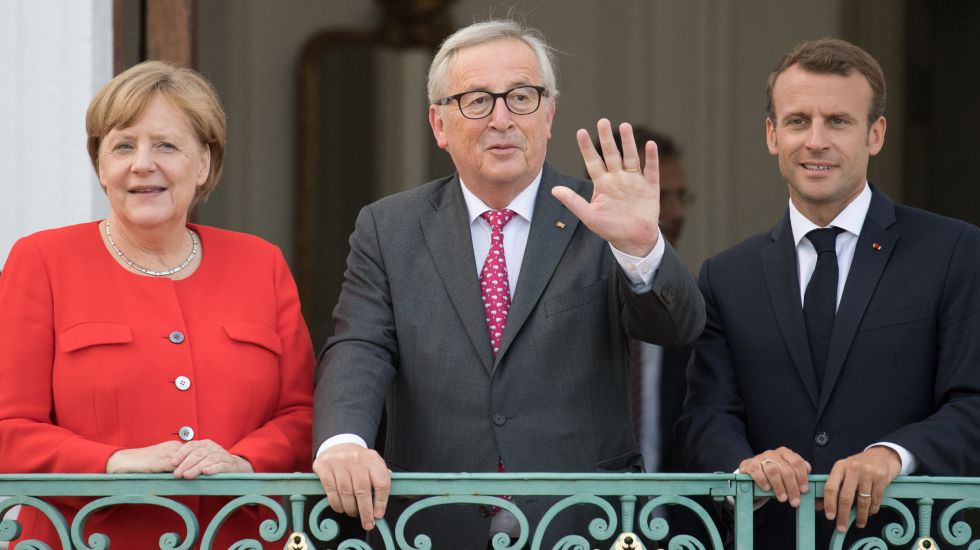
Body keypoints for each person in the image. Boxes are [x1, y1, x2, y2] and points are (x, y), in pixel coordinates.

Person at [313, 19, 705, 547]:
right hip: (433, 526)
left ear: (549, 114)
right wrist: (343, 442)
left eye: (521, 97)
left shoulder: (599, 215)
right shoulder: (389, 228)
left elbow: (678, 328)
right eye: (477, 100)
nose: (502, 119)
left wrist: (641, 247)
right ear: (439, 123)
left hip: (584, 525)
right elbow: (360, 344)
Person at [677, 37, 980, 548]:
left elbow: (973, 401)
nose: (816, 141)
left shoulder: (954, 250)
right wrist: (744, 463)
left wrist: (892, 454)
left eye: (838, 121)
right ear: (772, 135)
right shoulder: (725, 276)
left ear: (875, 134)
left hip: (906, 537)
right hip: (769, 537)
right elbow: (706, 416)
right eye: (798, 121)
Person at [0, 61, 314, 548]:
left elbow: (301, 414)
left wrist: (244, 461)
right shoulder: (42, 260)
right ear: (101, 165)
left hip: (237, 539)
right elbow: (9, 427)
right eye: (123, 146)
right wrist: (113, 462)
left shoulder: (261, 263)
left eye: (166, 145)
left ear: (205, 163)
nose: (142, 163)